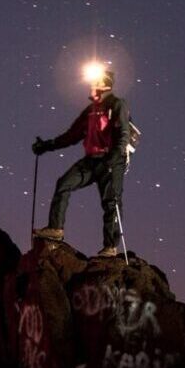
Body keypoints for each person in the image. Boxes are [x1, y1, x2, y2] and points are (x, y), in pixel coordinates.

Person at [30, 63, 134, 258]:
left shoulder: (117, 104)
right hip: (91, 160)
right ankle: (56, 229)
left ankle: (110, 247)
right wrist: (46, 146)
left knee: (111, 202)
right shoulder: (90, 110)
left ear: (105, 84)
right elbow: (71, 135)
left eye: (95, 80)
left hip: (111, 160)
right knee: (64, 184)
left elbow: (123, 134)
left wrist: (115, 156)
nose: (90, 84)